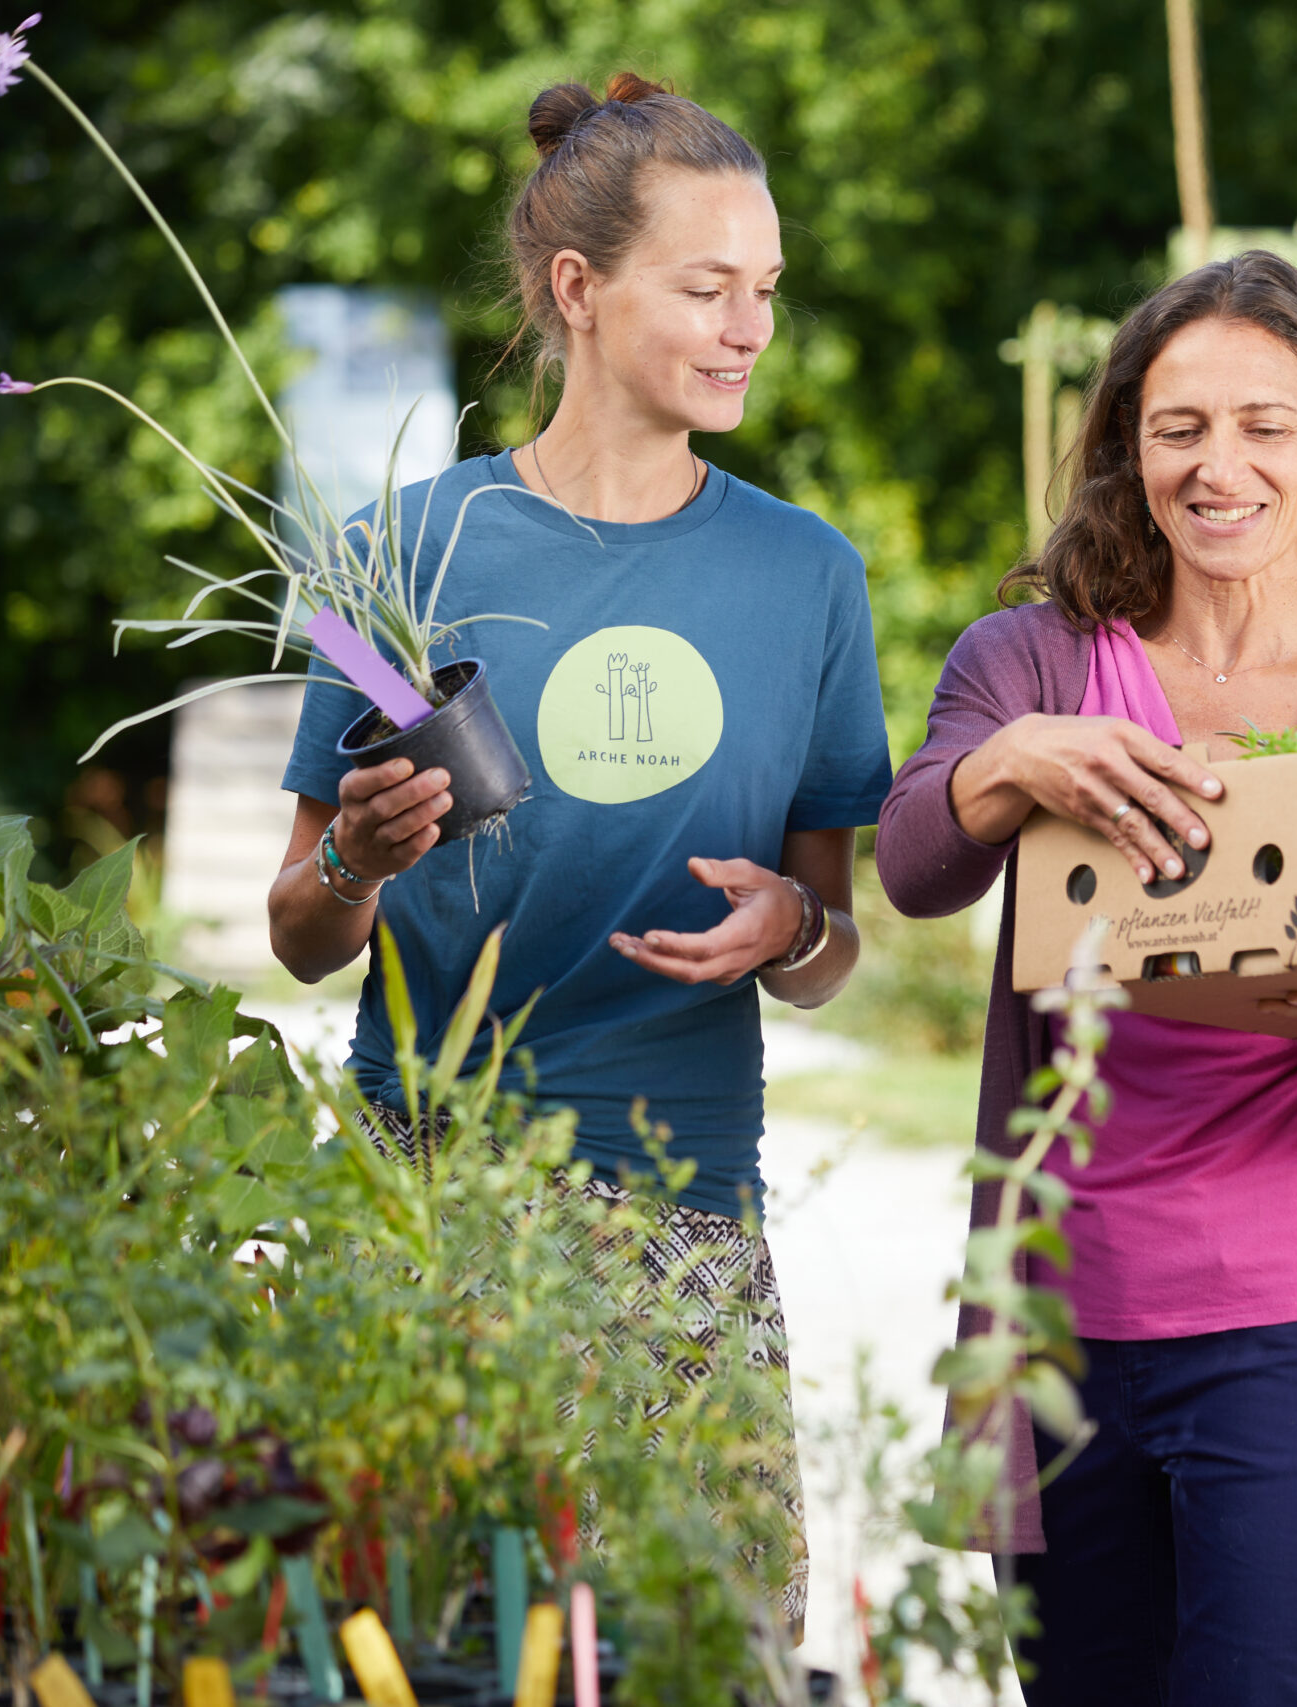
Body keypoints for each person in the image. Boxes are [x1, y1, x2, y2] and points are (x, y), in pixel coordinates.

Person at [875, 251, 1297, 1704]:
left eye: (1264, 427)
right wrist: (1014, 762)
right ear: (1131, 447)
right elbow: (915, 864)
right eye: (1178, 428)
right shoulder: (1039, 666)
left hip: (1296, 1336)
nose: (1217, 467)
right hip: (1062, 1331)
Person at [269, 73, 894, 1628]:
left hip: (685, 1210)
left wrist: (793, 929)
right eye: (707, 288)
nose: (750, 328)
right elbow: (298, 931)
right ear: (578, 289)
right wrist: (357, 861)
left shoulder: (809, 576)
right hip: (428, 1199)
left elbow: (832, 950)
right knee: (414, 1640)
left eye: (767, 290)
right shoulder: (394, 553)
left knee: (703, 1653)